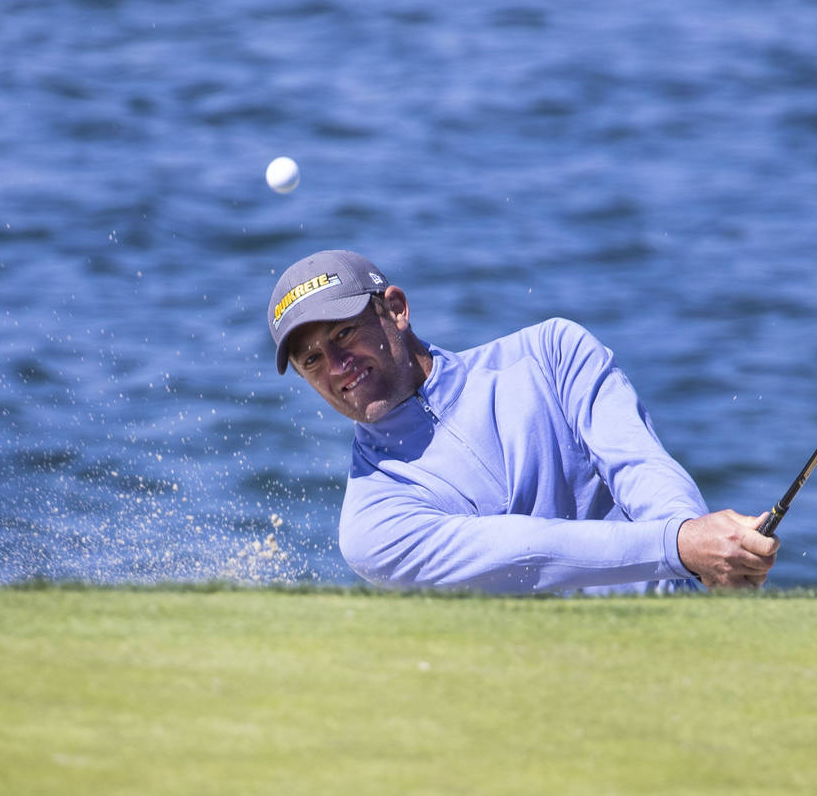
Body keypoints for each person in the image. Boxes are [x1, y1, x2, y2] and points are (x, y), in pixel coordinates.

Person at [267, 249, 779, 594]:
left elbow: (640, 467)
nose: (337, 368)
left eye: (343, 335)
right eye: (311, 360)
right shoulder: (372, 522)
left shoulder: (552, 352)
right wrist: (680, 546)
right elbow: (528, 554)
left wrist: (694, 541)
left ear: (396, 309)